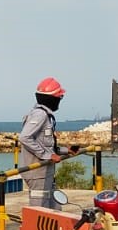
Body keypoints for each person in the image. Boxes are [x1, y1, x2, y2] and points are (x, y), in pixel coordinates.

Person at [18, 77, 76, 208]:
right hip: (37, 172)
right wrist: (48, 155)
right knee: (40, 209)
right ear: (52, 99)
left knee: (54, 208)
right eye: (59, 98)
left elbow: (45, 143)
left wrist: (66, 150)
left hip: (44, 171)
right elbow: (25, 137)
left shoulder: (44, 115)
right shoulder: (40, 115)